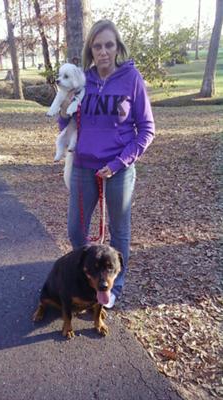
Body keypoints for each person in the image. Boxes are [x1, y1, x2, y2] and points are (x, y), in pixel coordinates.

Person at [58, 19, 155, 308]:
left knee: (119, 230)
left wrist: (119, 162)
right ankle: (90, 274)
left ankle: (112, 288)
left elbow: (147, 129)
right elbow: (66, 122)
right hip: (83, 166)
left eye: (109, 45)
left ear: (117, 48)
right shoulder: (82, 80)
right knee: (76, 230)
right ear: (91, 48)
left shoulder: (131, 78)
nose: (103, 51)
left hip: (119, 169)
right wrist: (63, 108)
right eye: (97, 45)